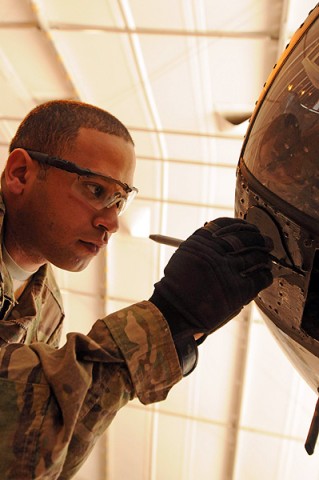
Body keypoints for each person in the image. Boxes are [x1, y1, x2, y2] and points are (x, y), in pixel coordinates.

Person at [0, 100, 274, 479]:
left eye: (120, 201)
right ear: (19, 174)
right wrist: (165, 318)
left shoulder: (48, 309)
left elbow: (45, 450)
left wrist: (179, 332)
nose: (111, 222)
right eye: (95, 190)